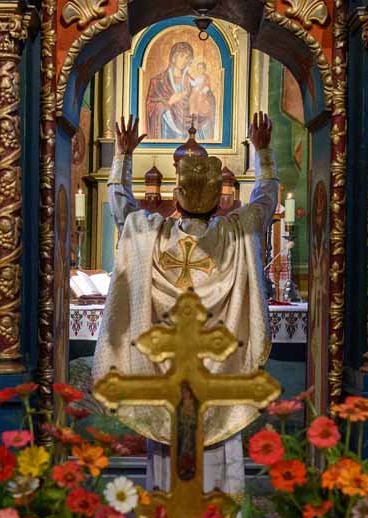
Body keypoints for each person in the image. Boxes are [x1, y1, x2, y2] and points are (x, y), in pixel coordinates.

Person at [93, 113, 279, 494]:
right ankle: (220, 509)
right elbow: (265, 202)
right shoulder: (235, 235)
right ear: (216, 202)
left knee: (170, 440)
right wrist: (262, 152)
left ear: (177, 199)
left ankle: (167, 509)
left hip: (168, 373)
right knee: (219, 432)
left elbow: (121, 210)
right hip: (218, 373)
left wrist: (123, 156)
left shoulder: (151, 235)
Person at [145, 42, 195, 140]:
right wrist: (168, 102)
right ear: (173, 57)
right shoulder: (158, 81)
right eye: (182, 56)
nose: (184, 60)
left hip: (187, 133)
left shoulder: (191, 82)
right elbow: (150, 107)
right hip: (166, 130)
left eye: (187, 57)